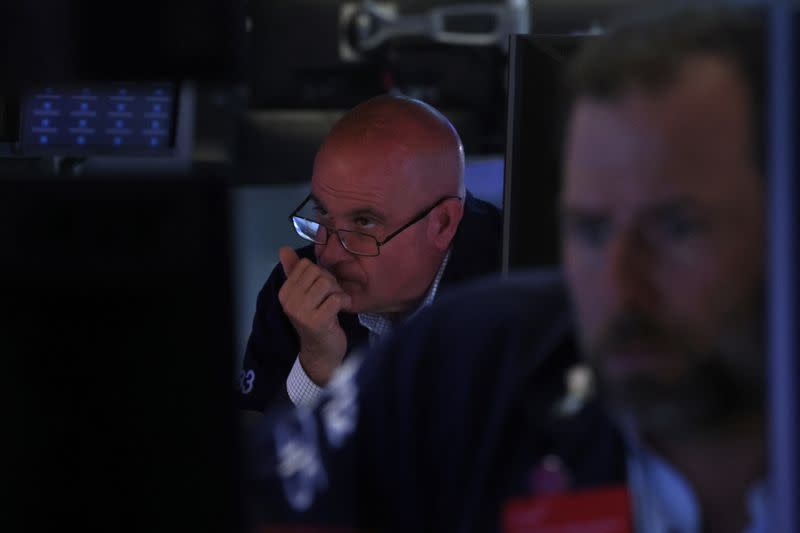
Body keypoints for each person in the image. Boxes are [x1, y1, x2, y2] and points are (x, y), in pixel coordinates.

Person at [245, 5, 769, 533]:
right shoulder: (482, 347)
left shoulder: (485, 309)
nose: (616, 283)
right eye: (589, 230)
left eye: (676, 228)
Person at [238, 95, 503, 410]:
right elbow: (259, 450)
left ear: (442, 224)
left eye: (363, 223)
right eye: (322, 214)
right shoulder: (296, 294)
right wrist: (316, 369)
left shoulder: (513, 285)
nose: (330, 254)